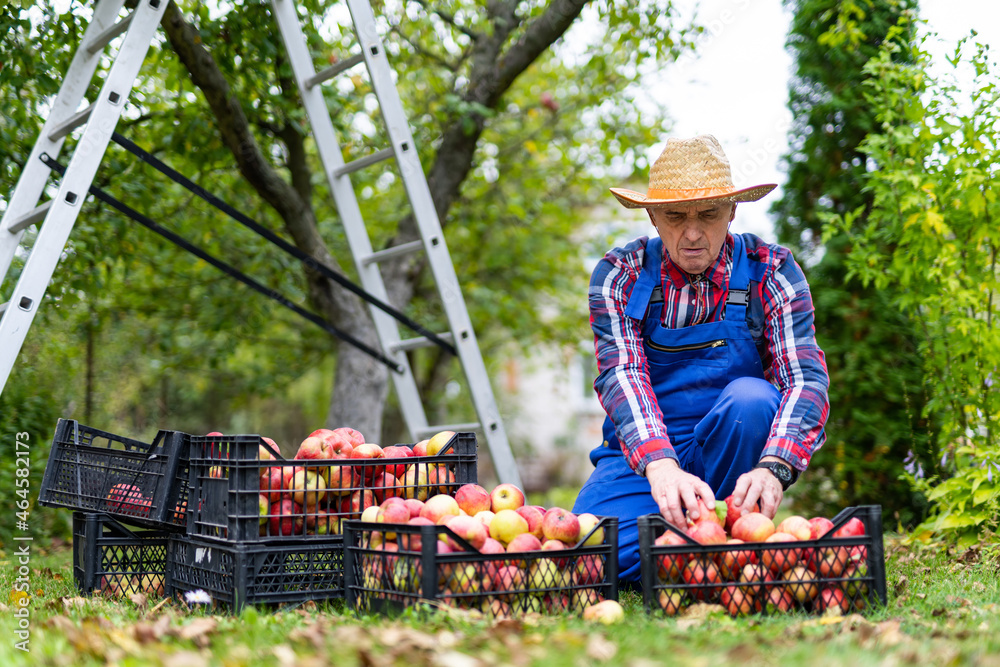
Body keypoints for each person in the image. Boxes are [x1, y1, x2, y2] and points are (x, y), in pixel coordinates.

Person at [573, 135, 830, 584]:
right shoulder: (620, 275)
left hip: (731, 450)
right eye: (675, 216)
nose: (692, 233)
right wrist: (662, 466)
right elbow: (622, 375)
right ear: (652, 216)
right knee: (590, 552)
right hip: (643, 460)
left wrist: (774, 468)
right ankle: (724, 552)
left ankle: (715, 537)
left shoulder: (772, 271)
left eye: (708, 214)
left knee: (751, 401)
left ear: (732, 210)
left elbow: (805, 379)